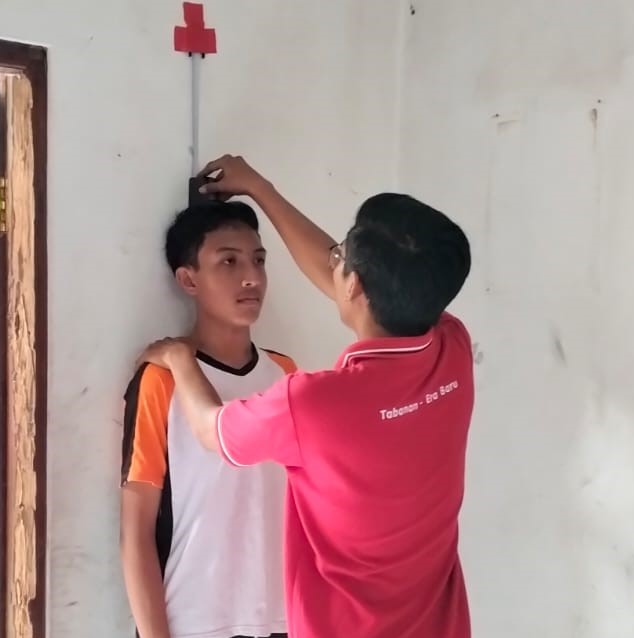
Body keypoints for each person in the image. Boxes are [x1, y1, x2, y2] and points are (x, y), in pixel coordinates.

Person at [138, 155, 474, 638]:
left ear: (353, 285)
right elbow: (364, 286)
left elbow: (213, 430)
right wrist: (260, 188)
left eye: (341, 257)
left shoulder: (309, 400)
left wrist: (178, 357)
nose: (250, 276)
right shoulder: (452, 350)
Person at [120, 201, 294, 638]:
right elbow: (136, 533)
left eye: (258, 261)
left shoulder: (286, 374)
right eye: (229, 262)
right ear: (188, 280)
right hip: (193, 623)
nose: (251, 277)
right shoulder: (161, 380)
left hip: (283, 618)